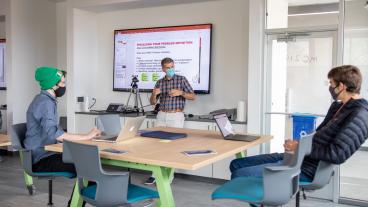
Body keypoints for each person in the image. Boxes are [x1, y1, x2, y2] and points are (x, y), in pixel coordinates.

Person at [230, 65, 368, 186]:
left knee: (240, 174)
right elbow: (318, 135)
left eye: (331, 83)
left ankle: (267, 199)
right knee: (236, 164)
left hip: (306, 167)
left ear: (341, 86)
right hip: (299, 156)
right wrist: (297, 144)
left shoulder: (358, 113)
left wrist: (299, 147)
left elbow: (337, 155)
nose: (330, 87)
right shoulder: (339, 106)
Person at [24, 66, 101, 175]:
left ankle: (90, 191)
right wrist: (86, 137)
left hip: (49, 152)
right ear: (53, 85)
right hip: (41, 158)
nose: (64, 86)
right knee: (86, 165)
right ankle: (90, 192)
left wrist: (86, 135)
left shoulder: (46, 100)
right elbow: (56, 134)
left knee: (86, 160)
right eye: (63, 83)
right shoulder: (45, 103)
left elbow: (58, 133)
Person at [144, 57, 196, 185]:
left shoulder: (181, 79)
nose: (170, 69)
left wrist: (181, 93)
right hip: (162, 115)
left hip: (176, 116)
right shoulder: (160, 82)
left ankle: (168, 177)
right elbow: (152, 102)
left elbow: (193, 96)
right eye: (168, 67)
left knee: (173, 147)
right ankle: (154, 175)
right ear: (163, 69)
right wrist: (154, 94)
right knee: (156, 146)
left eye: (172, 67)